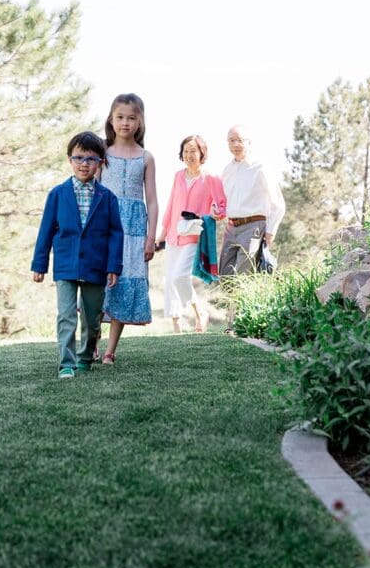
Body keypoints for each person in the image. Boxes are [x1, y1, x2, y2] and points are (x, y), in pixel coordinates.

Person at [31, 131, 123, 379]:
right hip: (66, 264)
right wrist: (40, 264)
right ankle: (66, 363)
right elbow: (46, 231)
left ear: (100, 162)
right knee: (66, 315)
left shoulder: (108, 198)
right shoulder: (57, 194)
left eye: (91, 159)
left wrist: (114, 266)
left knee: (93, 319)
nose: (84, 163)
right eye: (79, 158)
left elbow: (116, 233)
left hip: (96, 265)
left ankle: (84, 358)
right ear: (70, 160)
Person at [99, 93, 158, 364]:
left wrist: (151, 238)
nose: (125, 122)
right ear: (111, 119)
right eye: (120, 117)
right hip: (104, 226)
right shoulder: (102, 153)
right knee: (98, 283)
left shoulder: (145, 157)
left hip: (134, 231)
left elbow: (153, 200)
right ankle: (92, 342)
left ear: (140, 121)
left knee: (123, 283)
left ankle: (111, 350)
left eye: (131, 118)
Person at [157, 135, 226, 333]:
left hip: (194, 235)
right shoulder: (178, 175)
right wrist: (162, 233)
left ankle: (200, 313)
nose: (189, 155)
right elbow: (171, 204)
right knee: (170, 279)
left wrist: (216, 213)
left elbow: (221, 205)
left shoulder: (211, 177)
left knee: (180, 277)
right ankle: (176, 327)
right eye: (186, 151)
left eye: (193, 151)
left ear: (201, 153)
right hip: (173, 235)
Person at [218, 125, 286, 277]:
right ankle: (230, 302)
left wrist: (270, 231)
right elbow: (223, 202)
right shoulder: (227, 171)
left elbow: (278, 203)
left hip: (254, 227)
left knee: (244, 274)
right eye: (231, 140)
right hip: (231, 228)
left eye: (240, 140)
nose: (236, 144)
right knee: (225, 275)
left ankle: (243, 301)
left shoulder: (260, 167)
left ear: (249, 142)